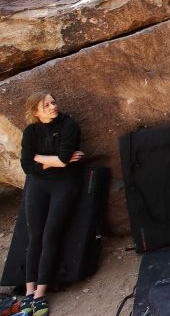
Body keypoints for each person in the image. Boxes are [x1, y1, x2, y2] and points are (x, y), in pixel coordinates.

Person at [16, 92, 84, 316]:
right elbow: (27, 166)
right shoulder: (31, 132)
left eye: (53, 102)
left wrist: (39, 157)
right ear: (36, 112)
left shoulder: (69, 125)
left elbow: (64, 160)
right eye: (46, 105)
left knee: (50, 234)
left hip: (64, 184)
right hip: (38, 185)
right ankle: (28, 292)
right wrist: (51, 160)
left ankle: (40, 294)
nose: (53, 106)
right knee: (34, 236)